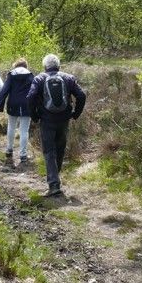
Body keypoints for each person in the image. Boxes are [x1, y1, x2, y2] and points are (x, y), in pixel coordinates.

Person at [26, 53, 87, 197]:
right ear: (58, 65)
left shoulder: (39, 79)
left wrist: (34, 116)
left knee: (49, 151)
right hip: (64, 119)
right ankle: (55, 178)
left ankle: (54, 184)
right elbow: (81, 95)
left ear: (45, 66)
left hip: (46, 120)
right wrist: (75, 114)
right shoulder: (68, 78)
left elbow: (30, 98)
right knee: (60, 149)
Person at [0, 57, 34, 166]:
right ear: (25, 66)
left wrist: (0, 106)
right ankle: (23, 155)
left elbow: (4, 90)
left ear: (16, 65)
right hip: (27, 105)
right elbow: (34, 91)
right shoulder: (30, 75)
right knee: (24, 130)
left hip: (13, 104)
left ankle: (9, 150)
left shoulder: (11, 75)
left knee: (11, 127)